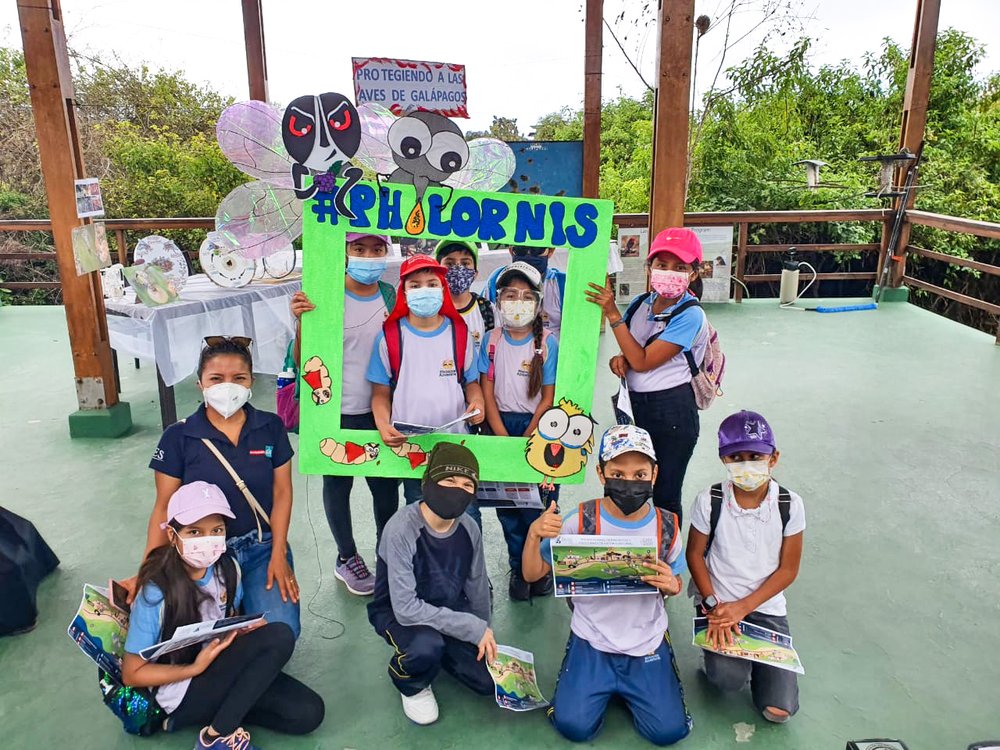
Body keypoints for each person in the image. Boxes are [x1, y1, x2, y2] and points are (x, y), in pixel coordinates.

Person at [522, 425, 692, 746]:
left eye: (640, 474)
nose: (630, 482)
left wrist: (672, 585)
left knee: (669, 731)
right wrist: (534, 534)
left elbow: (677, 580)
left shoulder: (666, 524)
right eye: (618, 472)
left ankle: (632, 683)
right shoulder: (579, 521)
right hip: (592, 639)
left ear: (654, 475)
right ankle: (597, 683)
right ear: (601, 474)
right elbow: (532, 574)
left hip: (646, 641)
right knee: (573, 727)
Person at [123, 481, 324, 749]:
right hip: (180, 690)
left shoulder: (228, 569)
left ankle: (223, 716)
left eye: (216, 530)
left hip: (218, 671)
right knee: (280, 635)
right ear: (172, 535)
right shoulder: (156, 592)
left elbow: (226, 620)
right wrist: (195, 668)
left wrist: (240, 630)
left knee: (308, 713)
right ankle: (214, 737)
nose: (207, 539)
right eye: (194, 532)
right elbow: (132, 674)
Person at [139, 336, 302, 637]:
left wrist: (278, 553)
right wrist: (147, 574)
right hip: (200, 552)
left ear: (251, 381)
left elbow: (282, 493)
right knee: (187, 636)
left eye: (238, 378)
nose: (228, 386)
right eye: (216, 378)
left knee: (281, 631)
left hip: (260, 546)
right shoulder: (178, 437)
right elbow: (163, 507)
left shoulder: (270, 427)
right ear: (200, 384)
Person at [289, 232, 400, 597]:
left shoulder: (390, 295)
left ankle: (388, 553)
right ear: (346, 252)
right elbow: (302, 359)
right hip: (335, 410)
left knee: (385, 488)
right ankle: (346, 556)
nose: (369, 256)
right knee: (337, 484)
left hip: (381, 410)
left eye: (377, 249)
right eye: (359, 249)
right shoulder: (324, 293)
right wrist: (302, 322)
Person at [686, 410, 805, 724]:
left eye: (755, 455)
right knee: (726, 680)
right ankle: (723, 658)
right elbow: (695, 555)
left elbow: (788, 570)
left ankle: (761, 669)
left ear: (773, 457)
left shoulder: (790, 504)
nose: (747, 464)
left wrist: (744, 607)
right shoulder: (709, 500)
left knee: (779, 711)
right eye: (737, 457)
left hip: (765, 607)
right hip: (719, 605)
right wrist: (714, 604)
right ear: (724, 460)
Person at [586, 227, 708, 526]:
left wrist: (613, 314)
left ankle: (667, 561)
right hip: (634, 406)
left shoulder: (690, 315)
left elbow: (641, 361)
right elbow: (631, 350)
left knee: (665, 492)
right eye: (662, 265)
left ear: (693, 273)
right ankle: (628, 548)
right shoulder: (642, 304)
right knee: (627, 486)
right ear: (649, 267)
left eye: (680, 267)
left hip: (672, 412)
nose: (669, 272)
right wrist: (619, 358)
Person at [367, 443, 496, 725]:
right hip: (400, 614)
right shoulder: (402, 528)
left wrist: (482, 630)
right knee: (426, 645)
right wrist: (468, 628)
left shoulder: (468, 527)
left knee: (488, 684)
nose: (457, 490)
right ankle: (411, 682)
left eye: (467, 484)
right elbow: (405, 609)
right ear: (428, 481)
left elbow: (476, 585)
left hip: (448, 607)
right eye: (448, 480)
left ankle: (445, 652)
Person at [367, 254, 485, 511]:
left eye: (432, 284)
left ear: (443, 290)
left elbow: (472, 383)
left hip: (456, 445)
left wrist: (477, 402)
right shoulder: (390, 336)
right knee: (420, 513)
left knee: (465, 516)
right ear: (404, 292)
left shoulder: (459, 333)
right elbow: (379, 392)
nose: (424, 291)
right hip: (413, 449)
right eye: (415, 285)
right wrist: (382, 423)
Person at [478, 261, 559, 601]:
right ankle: (518, 568)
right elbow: (486, 391)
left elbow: (549, 396)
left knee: (541, 506)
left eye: (527, 296)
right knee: (509, 507)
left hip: (538, 431)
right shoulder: (490, 341)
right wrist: (500, 436)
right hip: (501, 428)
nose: (518, 302)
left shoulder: (548, 344)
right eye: (510, 294)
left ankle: (541, 570)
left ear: (538, 303)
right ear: (498, 300)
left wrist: (529, 435)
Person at [484, 245, 565, 340]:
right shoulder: (496, 279)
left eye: (536, 249)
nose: (528, 255)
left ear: (550, 250)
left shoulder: (563, 284)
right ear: (510, 250)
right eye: (520, 249)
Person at [435, 239, 494, 359]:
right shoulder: (429, 309)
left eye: (465, 263)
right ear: (437, 271)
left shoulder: (487, 310)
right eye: (449, 263)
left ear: (475, 273)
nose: (458, 268)